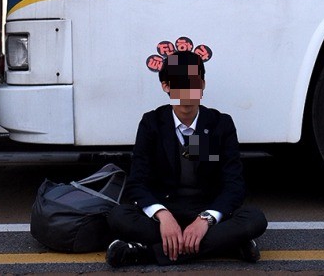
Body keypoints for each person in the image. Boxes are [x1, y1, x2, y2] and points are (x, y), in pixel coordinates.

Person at [106, 50, 267, 267]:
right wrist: (162, 215)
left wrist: (205, 219)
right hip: (166, 208)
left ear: (202, 84)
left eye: (192, 82)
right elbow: (137, 183)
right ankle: (227, 244)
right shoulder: (152, 123)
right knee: (118, 217)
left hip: (205, 209)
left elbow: (234, 185)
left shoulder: (220, 124)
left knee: (254, 220)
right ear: (166, 86)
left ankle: (144, 253)